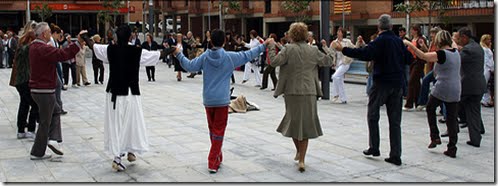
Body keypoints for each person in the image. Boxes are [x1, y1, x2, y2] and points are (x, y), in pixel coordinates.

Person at [174, 29, 272, 174]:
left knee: (213, 130)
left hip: (208, 99)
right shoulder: (230, 57)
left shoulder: (205, 57)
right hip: (221, 101)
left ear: (210, 41)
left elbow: (189, 66)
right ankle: (212, 161)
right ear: (224, 42)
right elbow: (248, 54)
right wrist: (264, 46)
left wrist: (178, 54)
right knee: (219, 131)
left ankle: (218, 157)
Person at [90, 25, 172, 171]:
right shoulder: (137, 51)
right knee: (130, 122)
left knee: (117, 124)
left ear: (116, 36)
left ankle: (129, 150)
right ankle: (118, 157)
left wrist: (83, 37)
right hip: (129, 93)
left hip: (114, 93)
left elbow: (94, 47)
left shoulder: (110, 49)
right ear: (130, 37)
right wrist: (173, 50)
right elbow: (158, 55)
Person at [332, 14, 411, 166]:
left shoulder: (380, 41)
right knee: (395, 121)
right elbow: (409, 59)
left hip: (382, 83)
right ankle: (396, 155)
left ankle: (374, 147)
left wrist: (344, 49)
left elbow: (365, 54)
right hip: (397, 84)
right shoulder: (398, 42)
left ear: (378, 27)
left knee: (373, 114)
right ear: (391, 26)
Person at [269, 22, 333, 172]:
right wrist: (325, 46)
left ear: (292, 35)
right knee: (306, 125)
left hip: (291, 91)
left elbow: (273, 61)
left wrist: (271, 46)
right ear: (305, 35)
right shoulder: (312, 50)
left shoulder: (288, 49)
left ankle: (298, 151)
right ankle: (302, 160)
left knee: (293, 122)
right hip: (309, 91)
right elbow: (329, 61)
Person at [29, 22, 83, 160]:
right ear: (43, 34)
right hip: (44, 90)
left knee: (56, 111)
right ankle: (38, 151)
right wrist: (77, 44)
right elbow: (62, 54)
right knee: (45, 121)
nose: (50, 33)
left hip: (39, 89)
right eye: (48, 32)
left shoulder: (34, 47)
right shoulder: (42, 48)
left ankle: (53, 139)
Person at [403, 30, 461, 158]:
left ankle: (435, 136)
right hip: (456, 88)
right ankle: (452, 147)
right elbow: (453, 43)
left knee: (430, 108)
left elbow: (423, 56)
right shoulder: (456, 52)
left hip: (443, 87)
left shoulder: (441, 54)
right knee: (452, 118)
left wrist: (409, 44)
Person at [456, 27, 487, 148]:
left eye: (459, 38)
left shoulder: (468, 50)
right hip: (478, 84)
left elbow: (457, 59)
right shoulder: (477, 47)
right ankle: (479, 131)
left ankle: (455, 131)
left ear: (464, 37)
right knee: (474, 110)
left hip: (469, 85)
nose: (458, 41)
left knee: (454, 108)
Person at [9, 21, 38, 140]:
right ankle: (30, 130)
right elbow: (26, 51)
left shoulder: (23, 42)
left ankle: (21, 130)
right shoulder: (24, 44)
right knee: (34, 104)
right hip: (23, 79)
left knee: (25, 104)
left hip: (21, 79)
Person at [416, 26, 442, 111]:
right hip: (432, 68)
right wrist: (423, 46)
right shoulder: (432, 43)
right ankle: (425, 102)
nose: (431, 35)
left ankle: (436, 106)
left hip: (438, 68)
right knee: (428, 82)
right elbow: (428, 53)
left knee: (434, 85)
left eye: (433, 34)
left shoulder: (440, 44)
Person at [403, 24, 427, 111]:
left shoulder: (420, 39)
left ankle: (409, 104)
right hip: (412, 62)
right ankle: (419, 102)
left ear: (416, 30)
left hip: (418, 62)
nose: (411, 31)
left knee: (411, 81)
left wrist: (423, 45)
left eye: (412, 30)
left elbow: (425, 50)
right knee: (416, 84)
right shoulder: (412, 39)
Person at [328, 27, 355, 104]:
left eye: (340, 31)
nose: (338, 33)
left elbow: (354, 49)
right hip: (337, 63)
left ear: (343, 33)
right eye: (338, 31)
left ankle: (336, 94)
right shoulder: (334, 42)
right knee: (339, 79)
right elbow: (330, 52)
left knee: (335, 76)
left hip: (345, 62)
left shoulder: (347, 41)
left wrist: (359, 43)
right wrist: (324, 46)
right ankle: (343, 98)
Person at [480, 34, 494, 107]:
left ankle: (486, 99)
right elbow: (488, 60)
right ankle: (484, 99)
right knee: (486, 84)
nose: (490, 41)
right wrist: (492, 68)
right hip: (487, 68)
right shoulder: (485, 49)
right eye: (488, 39)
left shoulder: (485, 48)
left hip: (486, 68)